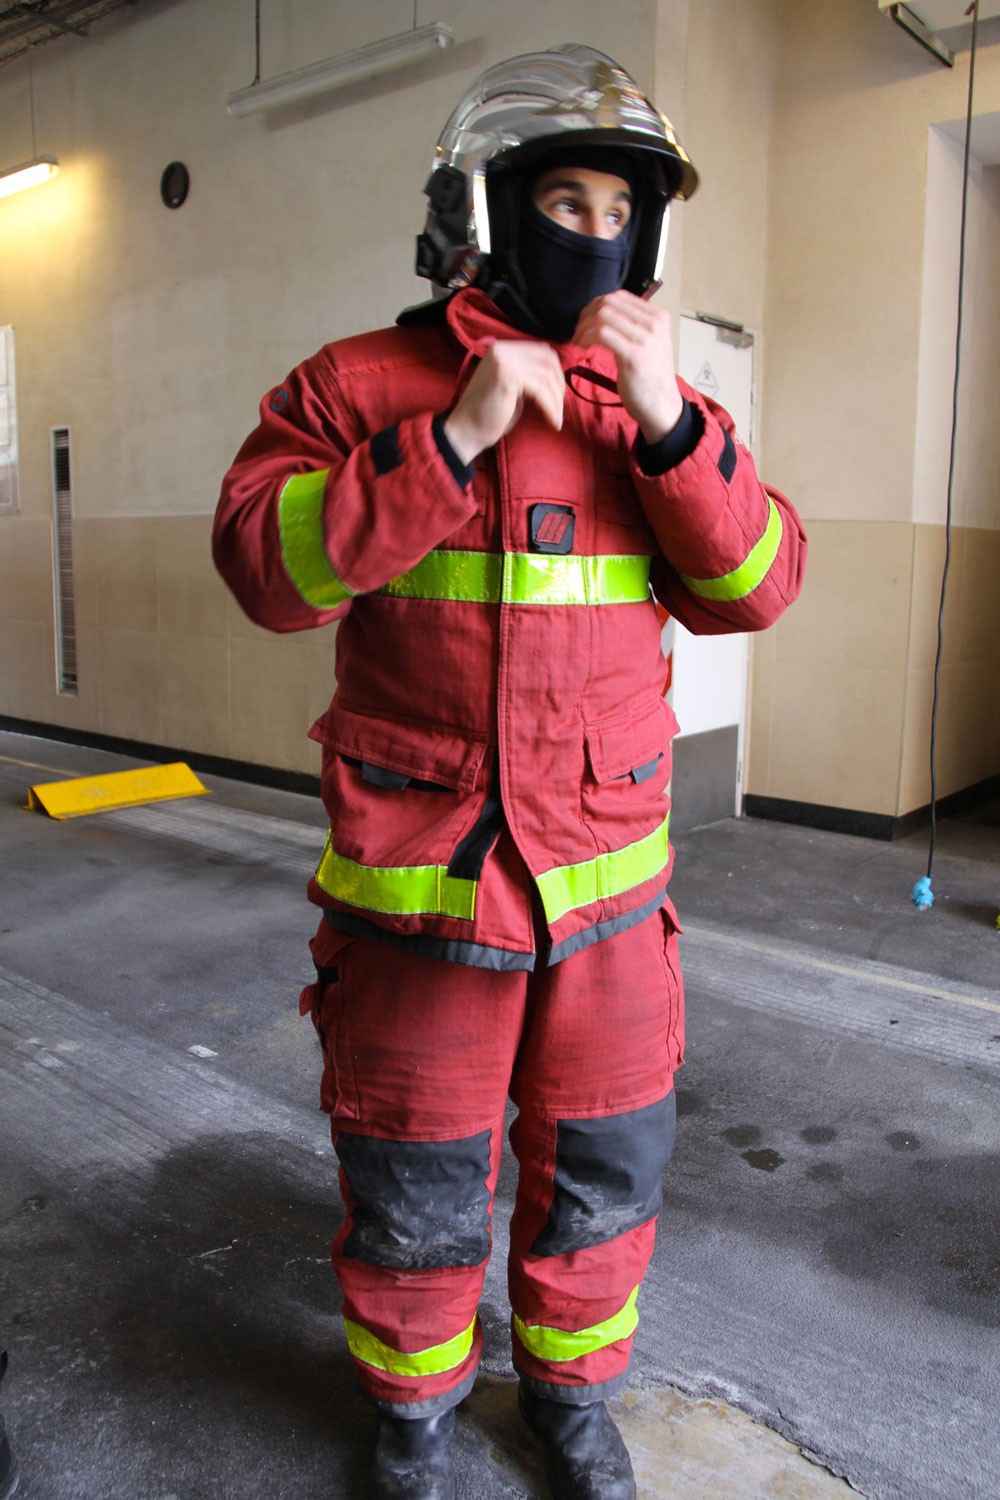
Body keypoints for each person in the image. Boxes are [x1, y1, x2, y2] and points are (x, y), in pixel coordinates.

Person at [214, 43, 806, 1500]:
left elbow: (760, 581)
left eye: (618, 206)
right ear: (483, 210)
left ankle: (570, 1399)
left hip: (609, 905)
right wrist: (455, 436)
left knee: (603, 1178)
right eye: (562, 195)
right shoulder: (357, 384)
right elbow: (263, 567)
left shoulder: (648, 402)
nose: (591, 229)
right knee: (415, 1178)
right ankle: (414, 1417)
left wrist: (669, 419)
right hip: (426, 897)